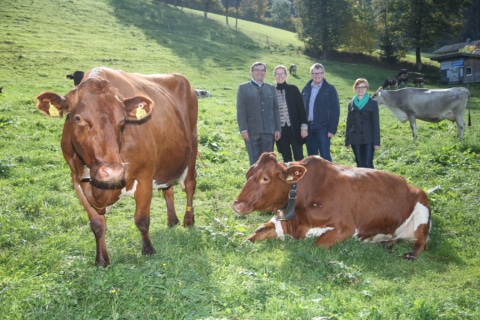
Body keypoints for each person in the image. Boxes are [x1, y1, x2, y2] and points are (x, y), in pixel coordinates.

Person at [236, 62, 281, 165]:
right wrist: (243, 129)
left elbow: (275, 109)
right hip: (252, 132)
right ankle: (254, 181)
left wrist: (278, 128)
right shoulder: (243, 88)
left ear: (265, 73)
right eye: (257, 70)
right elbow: (240, 111)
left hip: (269, 131)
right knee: (255, 162)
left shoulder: (271, 88)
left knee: (268, 162)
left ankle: (267, 181)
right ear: (252, 72)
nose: (259, 72)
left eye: (262, 70)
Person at [301, 63, 340, 162]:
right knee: (311, 157)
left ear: (324, 74)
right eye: (314, 73)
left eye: (319, 73)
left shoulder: (330, 89)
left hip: (323, 128)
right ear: (311, 74)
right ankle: (315, 177)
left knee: (325, 155)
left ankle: (329, 177)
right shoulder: (306, 89)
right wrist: (303, 127)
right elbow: (301, 109)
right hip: (309, 127)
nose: (317, 75)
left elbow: (335, 110)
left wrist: (332, 129)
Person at [273, 65, 308, 163]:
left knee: (299, 157)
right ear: (274, 76)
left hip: (295, 129)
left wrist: (304, 127)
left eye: (282, 73)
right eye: (277, 74)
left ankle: (300, 177)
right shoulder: (272, 91)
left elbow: (301, 109)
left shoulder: (293, 89)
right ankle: (288, 177)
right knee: (286, 157)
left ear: (286, 75)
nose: (280, 76)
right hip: (281, 131)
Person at [345, 78, 380, 168]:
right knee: (359, 164)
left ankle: (372, 182)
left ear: (367, 88)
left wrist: (376, 142)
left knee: (368, 163)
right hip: (355, 138)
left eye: (363, 87)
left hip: (368, 138)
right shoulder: (351, 104)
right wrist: (347, 141)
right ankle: (361, 182)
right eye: (358, 87)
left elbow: (376, 124)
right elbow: (349, 123)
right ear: (355, 88)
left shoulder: (373, 103)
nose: (360, 89)